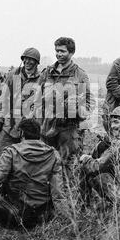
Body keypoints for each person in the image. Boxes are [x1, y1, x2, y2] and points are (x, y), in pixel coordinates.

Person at [0, 119, 64, 229]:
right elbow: (58, 191)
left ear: (22, 133)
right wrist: (64, 219)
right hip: (42, 215)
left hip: (14, 213)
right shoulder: (53, 154)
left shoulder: (12, 152)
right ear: (38, 134)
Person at [38, 37, 91, 174]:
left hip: (68, 128)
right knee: (44, 162)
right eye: (57, 51)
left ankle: (68, 194)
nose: (59, 54)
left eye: (62, 51)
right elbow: (37, 97)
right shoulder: (47, 72)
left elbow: (88, 101)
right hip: (47, 125)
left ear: (71, 52)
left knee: (67, 164)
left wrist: (79, 112)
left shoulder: (80, 75)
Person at [0, 47, 41, 156]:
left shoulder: (40, 79)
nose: (27, 62)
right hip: (10, 123)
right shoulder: (13, 75)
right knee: (2, 151)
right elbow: (3, 97)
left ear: (36, 62)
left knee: (27, 155)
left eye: (31, 59)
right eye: (25, 59)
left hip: (29, 125)